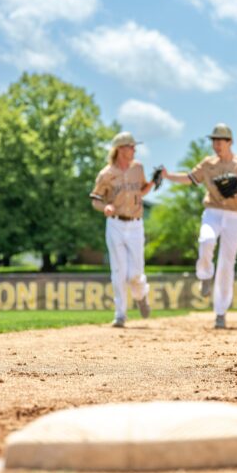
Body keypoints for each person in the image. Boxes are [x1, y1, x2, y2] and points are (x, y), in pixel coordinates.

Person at [162, 123, 237, 329]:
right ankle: (204, 275)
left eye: (220, 141)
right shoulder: (208, 164)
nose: (216, 145)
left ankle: (220, 312)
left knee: (227, 264)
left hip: (235, 215)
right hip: (212, 212)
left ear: (230, 142)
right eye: (214, 141)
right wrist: (167, 176)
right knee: (206, 240)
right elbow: (190, 178)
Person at [89, 131, 155, 328]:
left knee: (135, 273)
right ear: (120, 149)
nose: (134, 150)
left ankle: (141, 295)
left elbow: (141, 191)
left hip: (135, 224)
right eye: (130, 146)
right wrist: (105, 207)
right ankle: (120, 314)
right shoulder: (106, 174)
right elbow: (96, 200)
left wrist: (152, 183)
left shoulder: (138, 168)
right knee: (118, 270)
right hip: (116, 223)